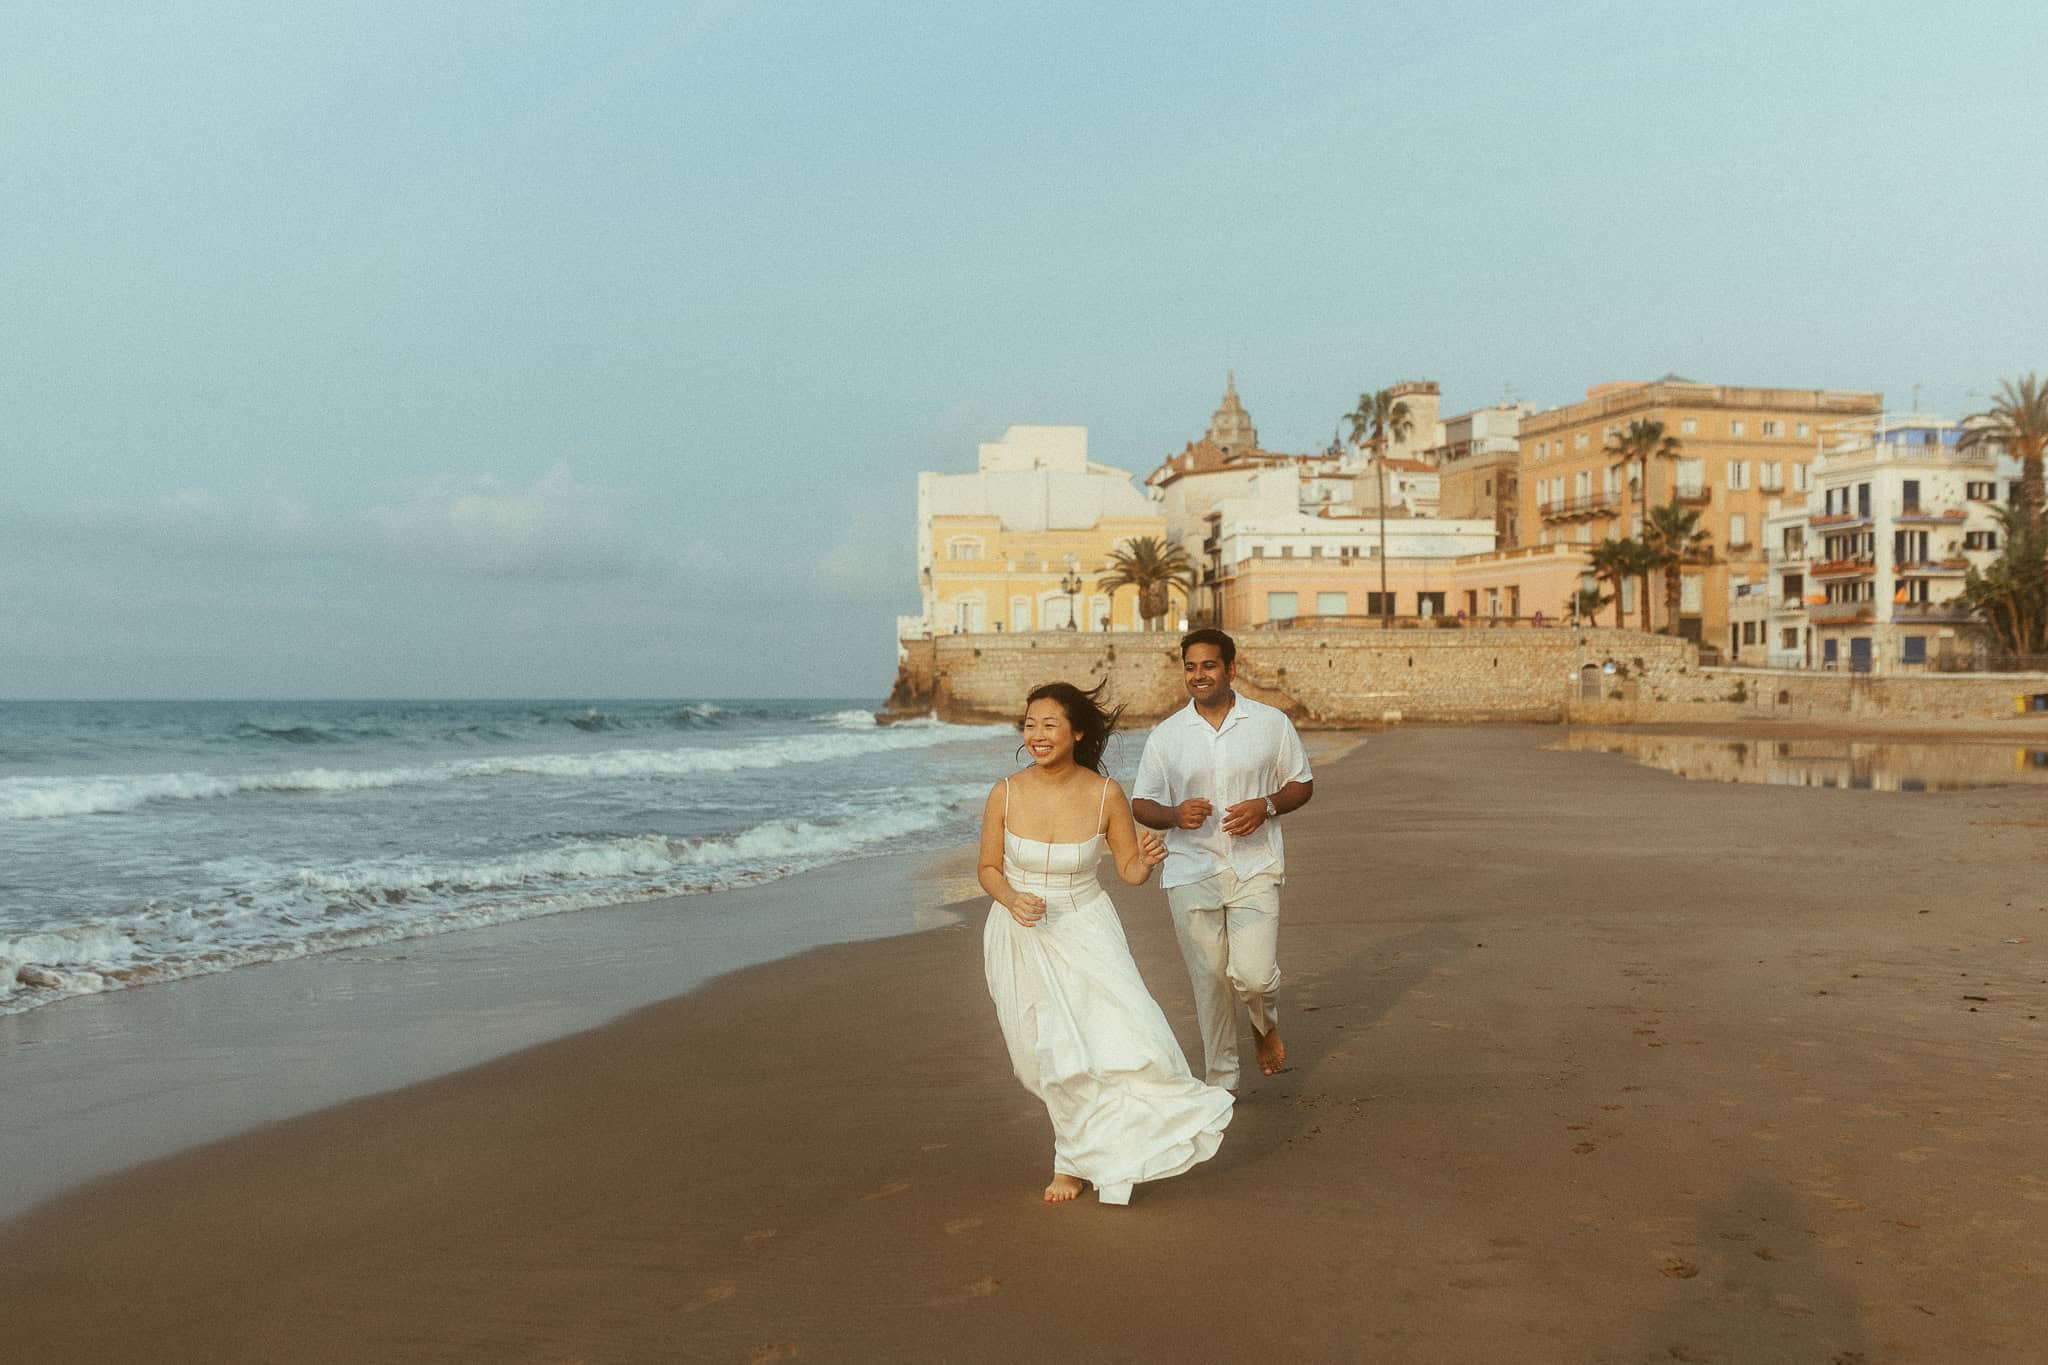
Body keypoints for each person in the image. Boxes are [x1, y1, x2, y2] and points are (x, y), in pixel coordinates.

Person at [981, 681, 1233, 1206]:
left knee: (1111, 1042)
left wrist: (1147, 859)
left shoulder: (1106, 794)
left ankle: (1071, 1162)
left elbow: (1129, 872)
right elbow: (987, 868)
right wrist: (1011, 898)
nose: (1037, 735)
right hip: (1019, 930)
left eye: (1049, 724)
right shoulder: (1005, 791)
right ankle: (1083, 1147)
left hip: (1086, 926)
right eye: (1029, 725)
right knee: (1037, 1057)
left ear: (1077, 732)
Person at [1132, 629, 1314, 1090]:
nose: (1199, 675)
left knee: (1254, 978)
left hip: (1255, 866)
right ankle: (1222, 1081)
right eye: (1191, 667)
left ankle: (1263, 1025)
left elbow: (1301, 783)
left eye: (1209, 665)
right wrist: (1175, 815)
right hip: (1191, 869)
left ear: (1231, 669)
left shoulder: (1271, 723)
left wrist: (1266, 806)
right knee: (1209, 980)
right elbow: (1142, 803)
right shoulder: (1166, 736)